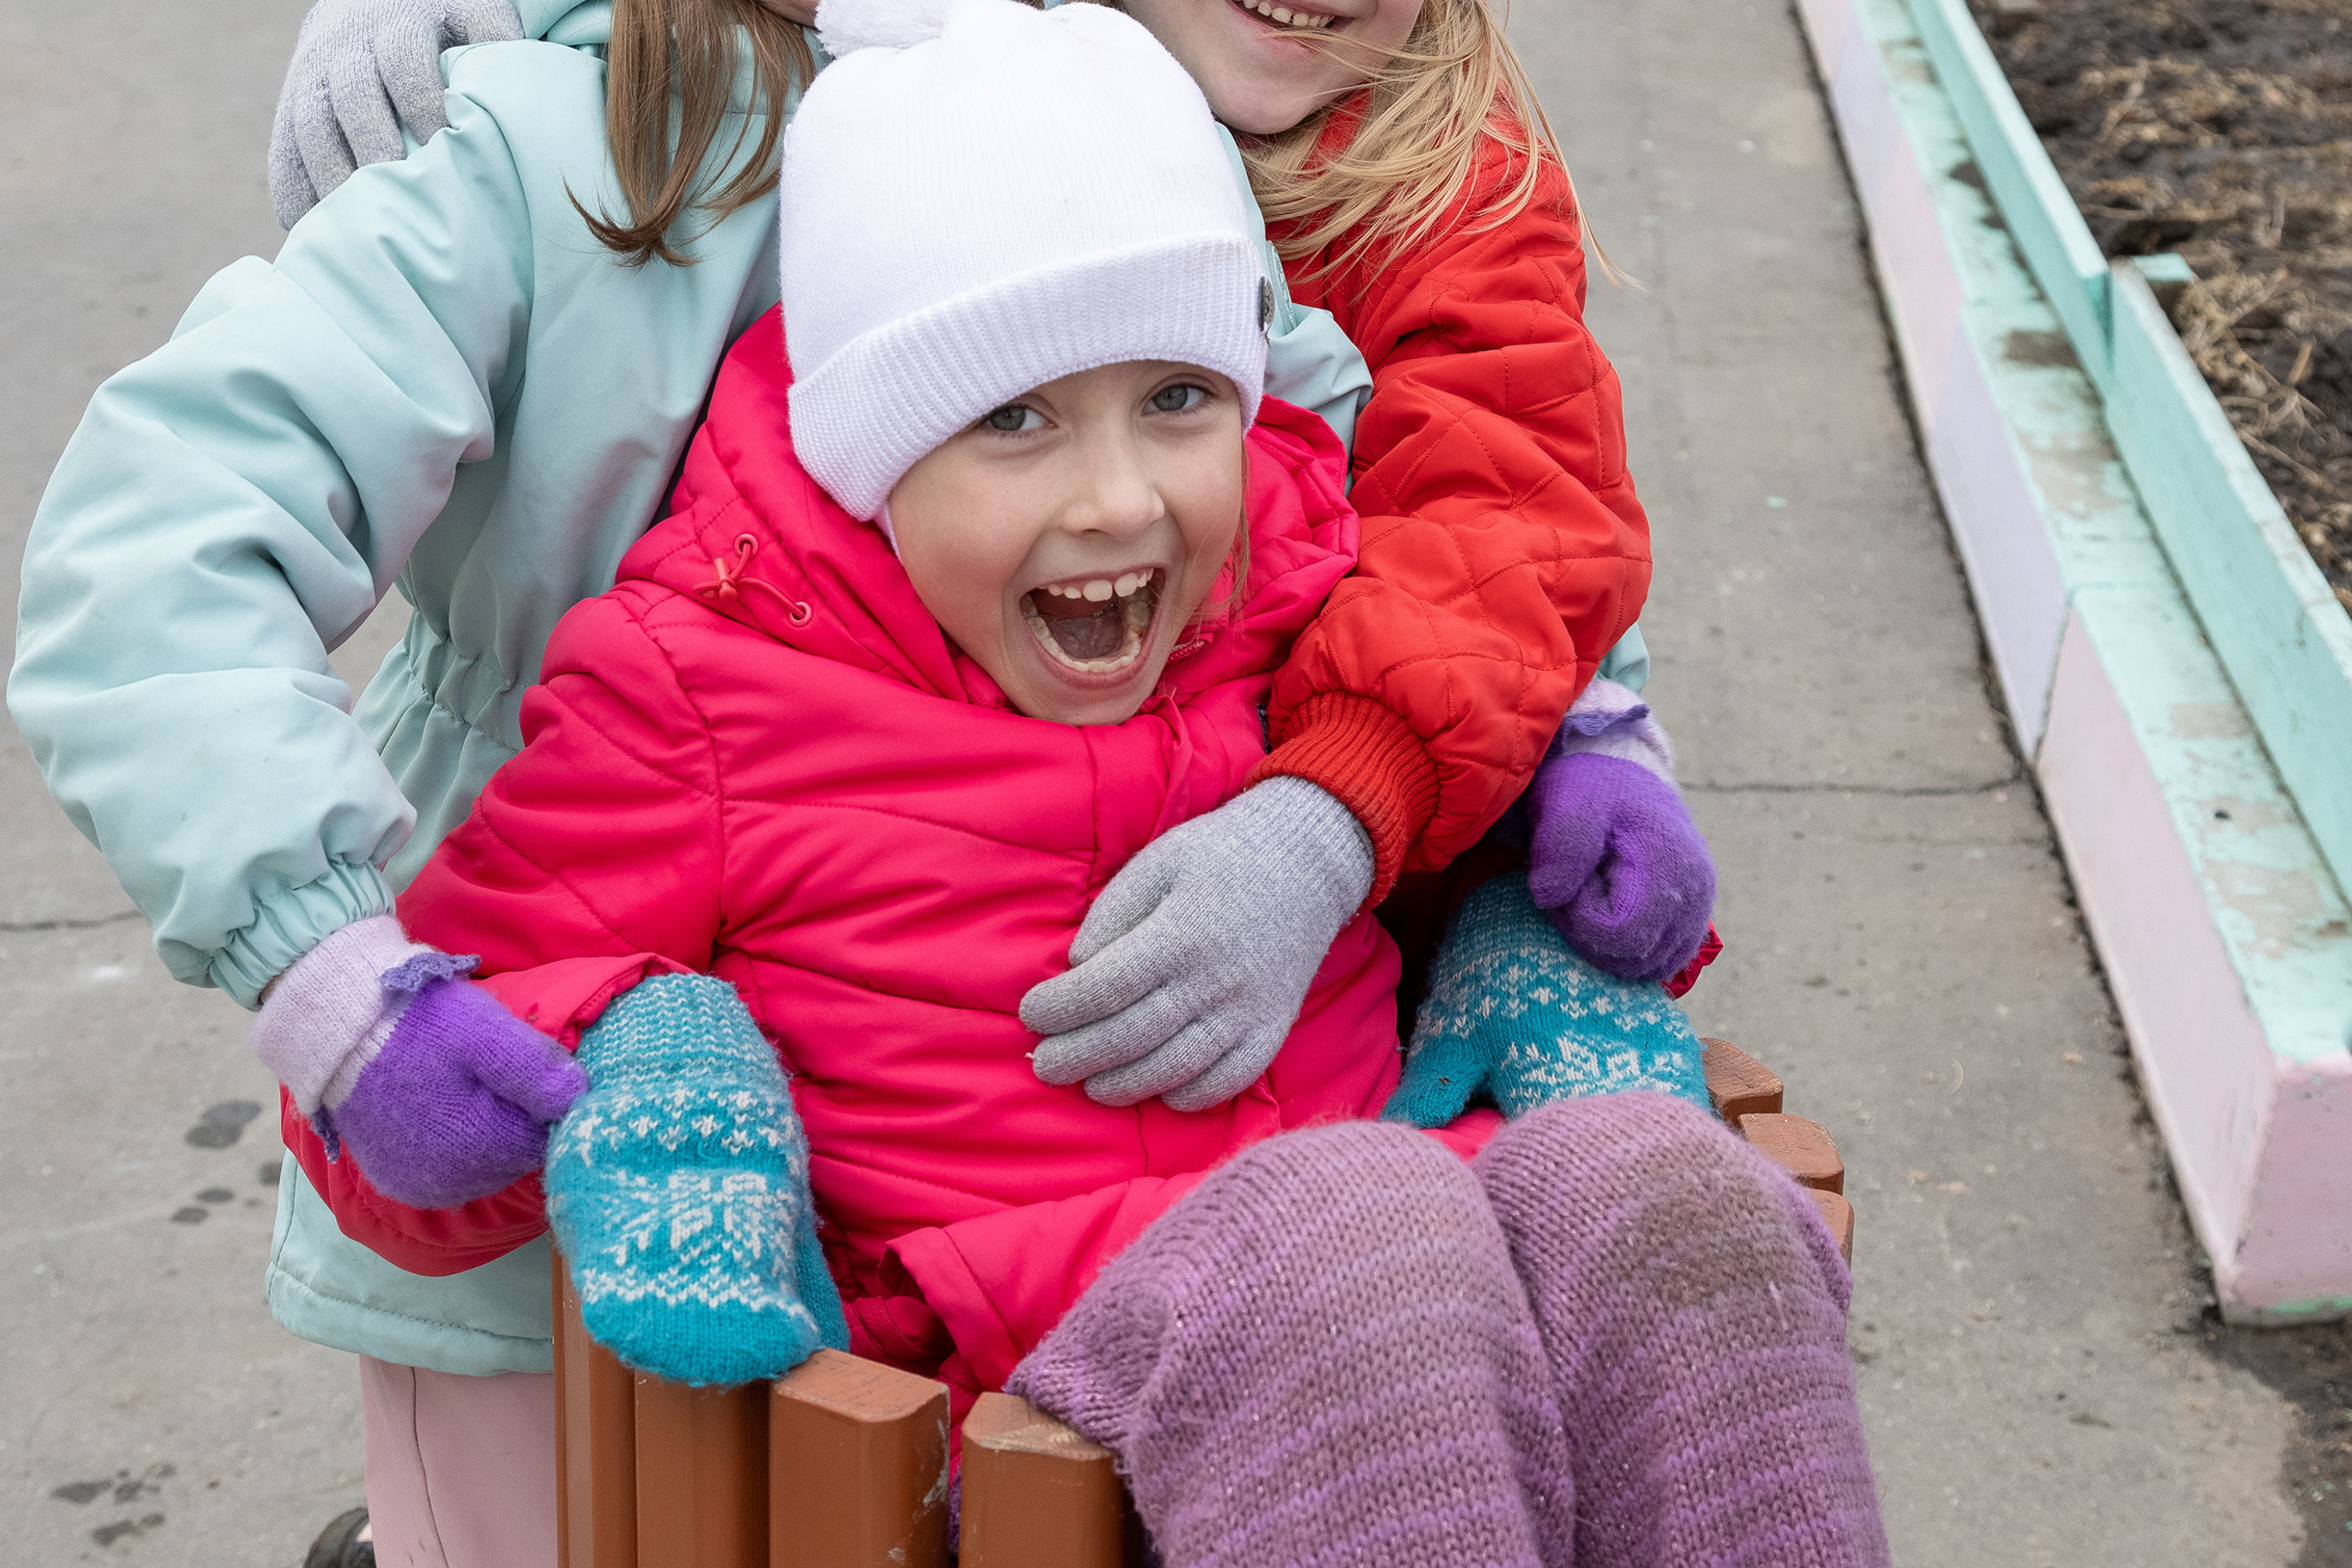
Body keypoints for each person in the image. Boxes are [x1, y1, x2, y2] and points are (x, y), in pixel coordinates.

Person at [9, 0, 1707, 1557]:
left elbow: (1420, 472)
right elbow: (165, 534)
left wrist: (1557, 732)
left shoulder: (1124, 87)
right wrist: (325, 963)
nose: (1113, 490)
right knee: (604, 1508)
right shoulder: (553, 143)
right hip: (570, 1066)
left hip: (1111, 1130)